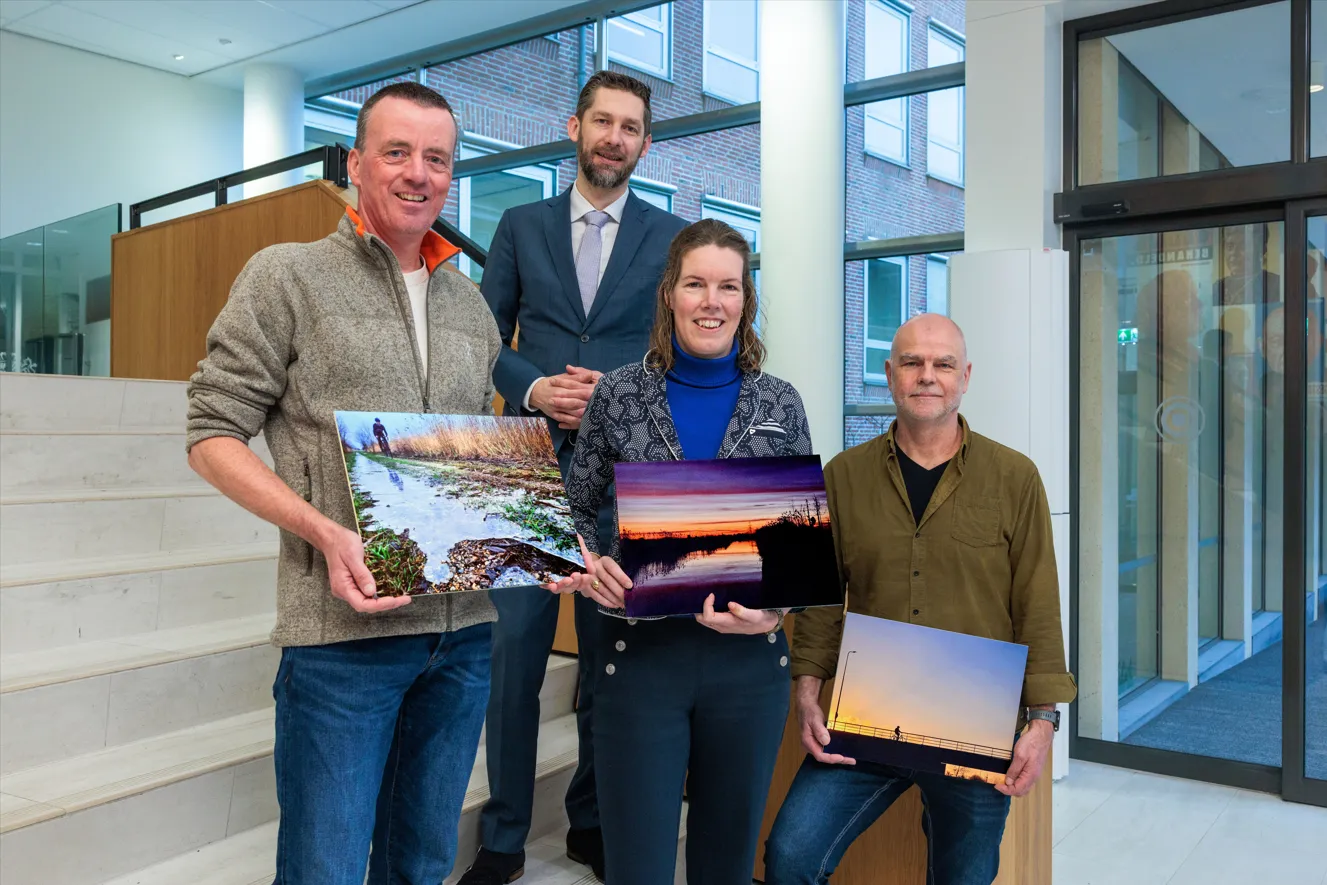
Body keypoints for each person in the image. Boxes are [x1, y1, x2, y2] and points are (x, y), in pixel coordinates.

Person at [185, 82, 502, 885]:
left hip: (460, 636)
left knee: (421, 864)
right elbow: (211, 431)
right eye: (396, 152)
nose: (417, 173)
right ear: (356, 164)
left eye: (436, 158)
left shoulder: (473, 304)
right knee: (323, 869)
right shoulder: (287, 276)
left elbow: (472, 462)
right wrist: (325, 532)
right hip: (340, 642)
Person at [462, 69, 686, 884]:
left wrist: (615, 389)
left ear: (644, 143)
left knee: (607, 655)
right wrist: (532, 385)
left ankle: (590, 821)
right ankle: (502, 837)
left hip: (625, 474)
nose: (614, 137)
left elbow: (679, 349)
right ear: (575, 127)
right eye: (603, 121)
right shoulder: (519, 225)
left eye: (630, 126)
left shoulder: (670, 239)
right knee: (514, 658)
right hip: (522, 463)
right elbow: (479, 337)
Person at [763, 314, 1077, 885]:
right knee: (790, 856)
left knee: (963, 878)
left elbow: (1038, 602)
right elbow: (822, 598)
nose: (926, 376)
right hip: (868, 717)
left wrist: (1043, 720)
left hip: (975, 723)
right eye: (912, 362)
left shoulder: (1015, 477)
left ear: (965, 377)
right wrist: (808, 690)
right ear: (889, 374)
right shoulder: (843, 475)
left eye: (942, 364)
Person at [547, 218, 813, 885]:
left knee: (724, 865)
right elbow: (573, 509)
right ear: (670, 293)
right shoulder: (617, 394)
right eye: (695, 283)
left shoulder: (779, 401)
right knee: (636, 864)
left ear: (745, 300)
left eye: (728, 286)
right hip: (639, 662)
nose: (711, 301)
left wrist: (775, 611)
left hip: (748, 668)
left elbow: (800, 542)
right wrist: (585, 563)